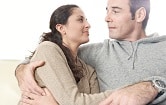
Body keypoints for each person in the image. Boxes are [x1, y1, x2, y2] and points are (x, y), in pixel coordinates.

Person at [16, 0, 166, 105]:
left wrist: (153, 86)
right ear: (61, 28)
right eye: (107, 11)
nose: (106, 18)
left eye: (115, 11)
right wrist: (21, 70)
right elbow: (41, 58)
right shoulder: (96, 52)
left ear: (139, 15)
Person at [17, 4, 113, 105]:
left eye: (86, 20)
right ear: (61, 28)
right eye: (80, 20)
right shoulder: (48, 49)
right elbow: (72, 102)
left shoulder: (89, 71)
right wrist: (120, 93)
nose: (88, 25)